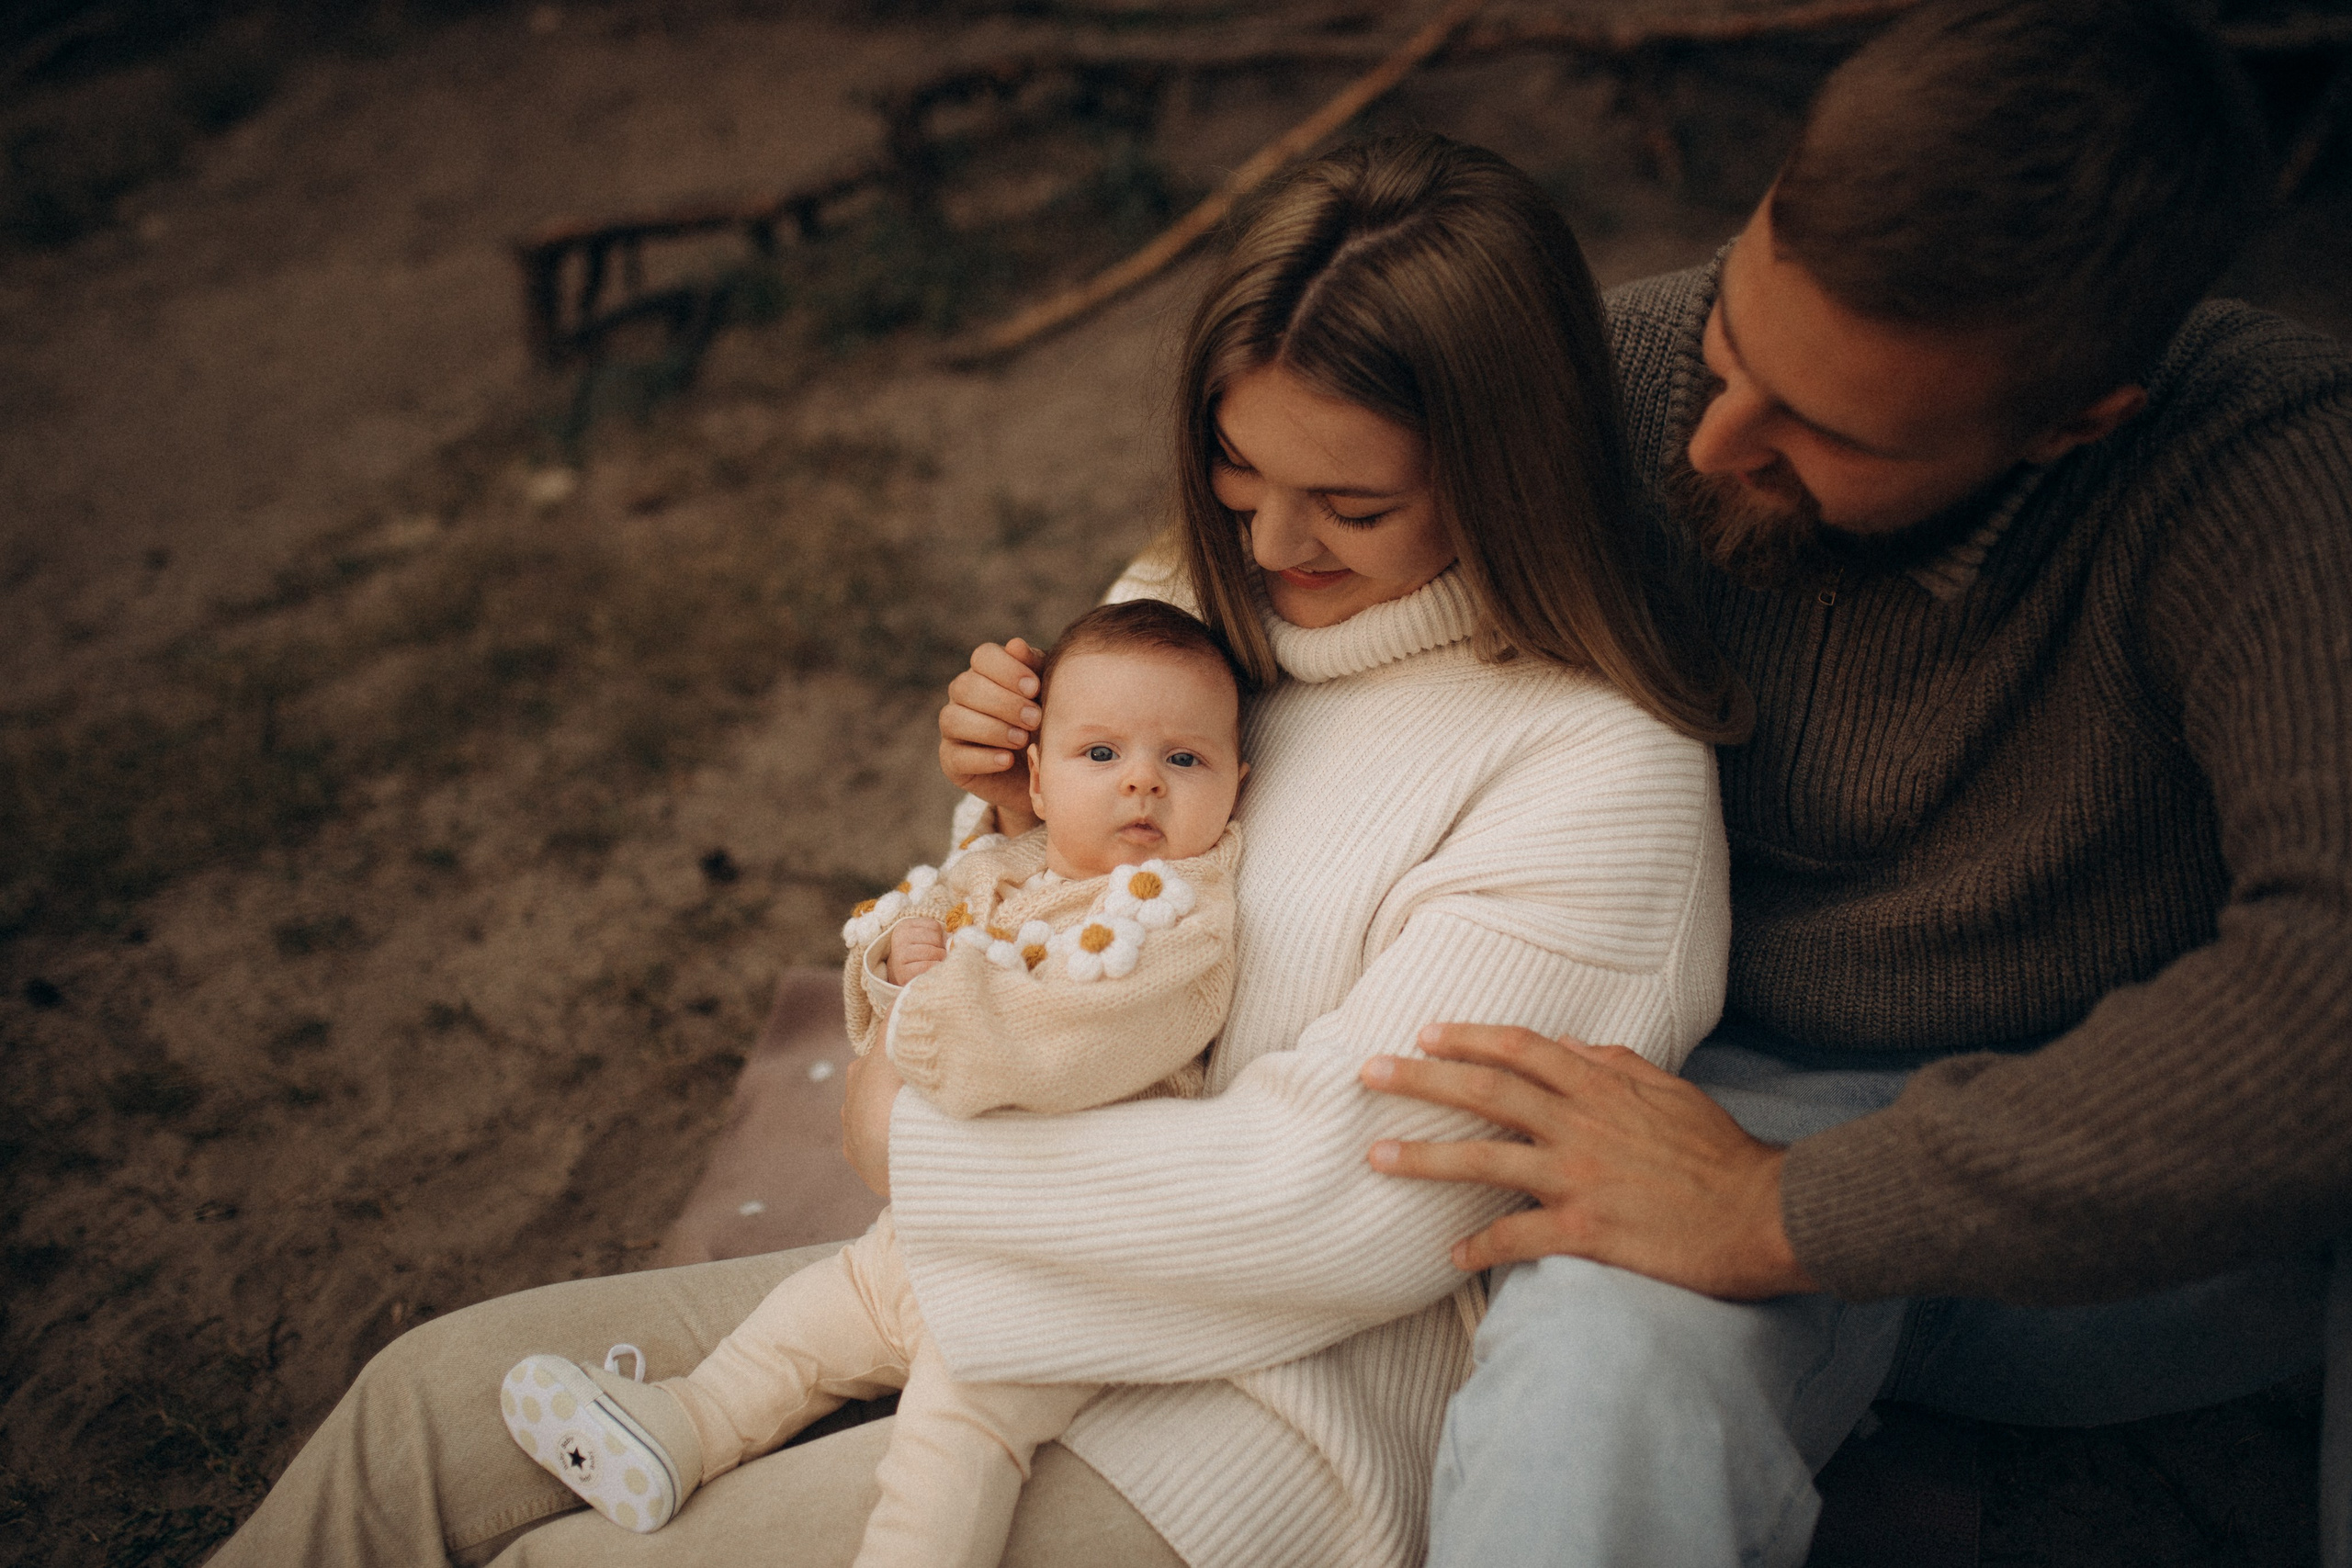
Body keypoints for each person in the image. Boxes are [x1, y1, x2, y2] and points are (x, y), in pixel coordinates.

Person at [204, 132, 1745, 1568]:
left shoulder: (1595, 774)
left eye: (1350, 503)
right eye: (1237, 469)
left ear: (1507, 470)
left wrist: (910, 1140)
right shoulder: (1198, 599)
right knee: (419, 1408)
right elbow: (1029, 944)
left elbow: (1331, 1205)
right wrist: (1012, 818)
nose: (1273, 544)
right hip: (951, 1276)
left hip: (1250, 1421)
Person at [1351, 5, 2352, 1566]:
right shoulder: (1619, 363)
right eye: (1737, 343)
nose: (1717, 439)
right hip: (1707, 1109)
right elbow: (1281, 578)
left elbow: (2326, 994)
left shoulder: (2272, 467)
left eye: (1826, 427)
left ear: (2076, 421)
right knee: (1597, 1371)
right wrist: (1066, 721)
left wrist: (1787, 1210)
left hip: (2127, 1184)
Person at [496, 599, 1247, 1568]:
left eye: (1184, 759)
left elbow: (1068, 1045)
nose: (1142, 780)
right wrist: (895, 965)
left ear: (1238, 783)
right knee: (804, 1324)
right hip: (925, 1234)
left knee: (948, 1444)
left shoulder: (1183, 927)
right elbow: (892, 968)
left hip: (1055, 1273)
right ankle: (683, 1426)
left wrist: (931, 1000)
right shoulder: (1002, 866)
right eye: (1100, 753)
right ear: (1037, 779)